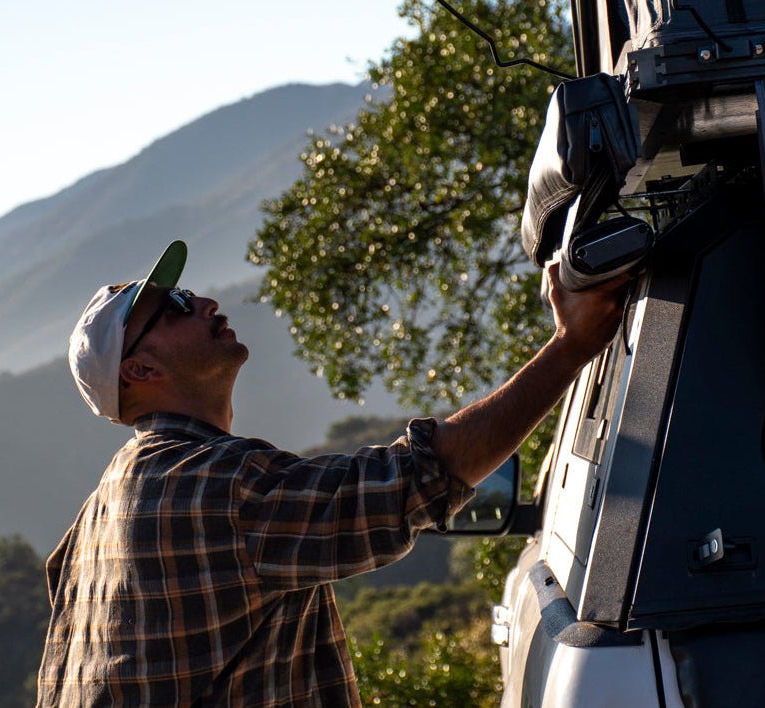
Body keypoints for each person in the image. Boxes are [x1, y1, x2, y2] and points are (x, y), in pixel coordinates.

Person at [37, 240, 628, 706]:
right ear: (140, 370)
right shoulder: (214, 486)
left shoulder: (89, 525)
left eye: (187, 291)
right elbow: (419, 481)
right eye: (175, 309)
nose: (206, 303)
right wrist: (572, 343)